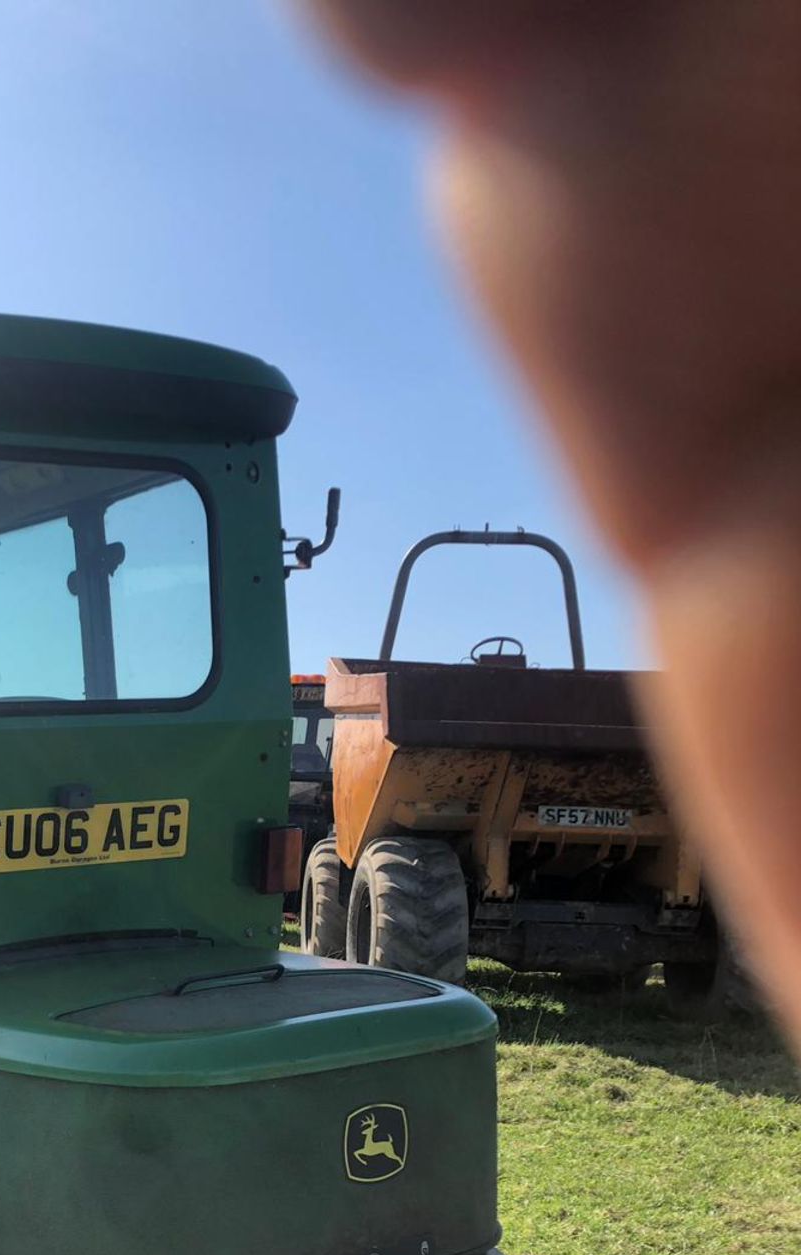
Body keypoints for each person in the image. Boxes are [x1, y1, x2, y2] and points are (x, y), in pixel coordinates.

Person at [303, 0, 801, 1047]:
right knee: (406, 869)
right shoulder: (380, 726)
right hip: (437, 803)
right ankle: (413, 995)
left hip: (548, 764)